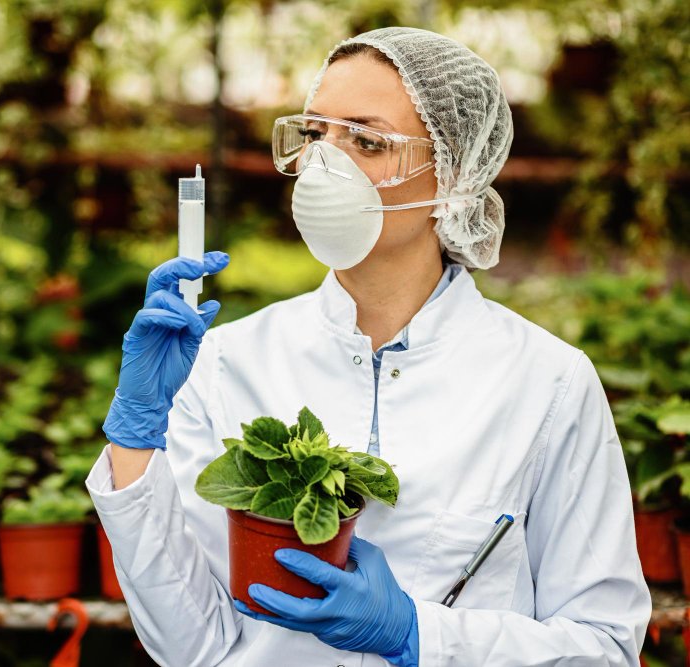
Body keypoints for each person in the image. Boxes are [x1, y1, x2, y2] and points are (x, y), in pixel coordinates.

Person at [85, 26, 651, 667]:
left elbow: (604, 647)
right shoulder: (225, 361)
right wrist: (135, 437)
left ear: (457, 171)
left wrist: (420, 638)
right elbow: (190, 644)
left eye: (367, 140)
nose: (326, 163)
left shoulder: (545, 383)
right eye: (315, 134)